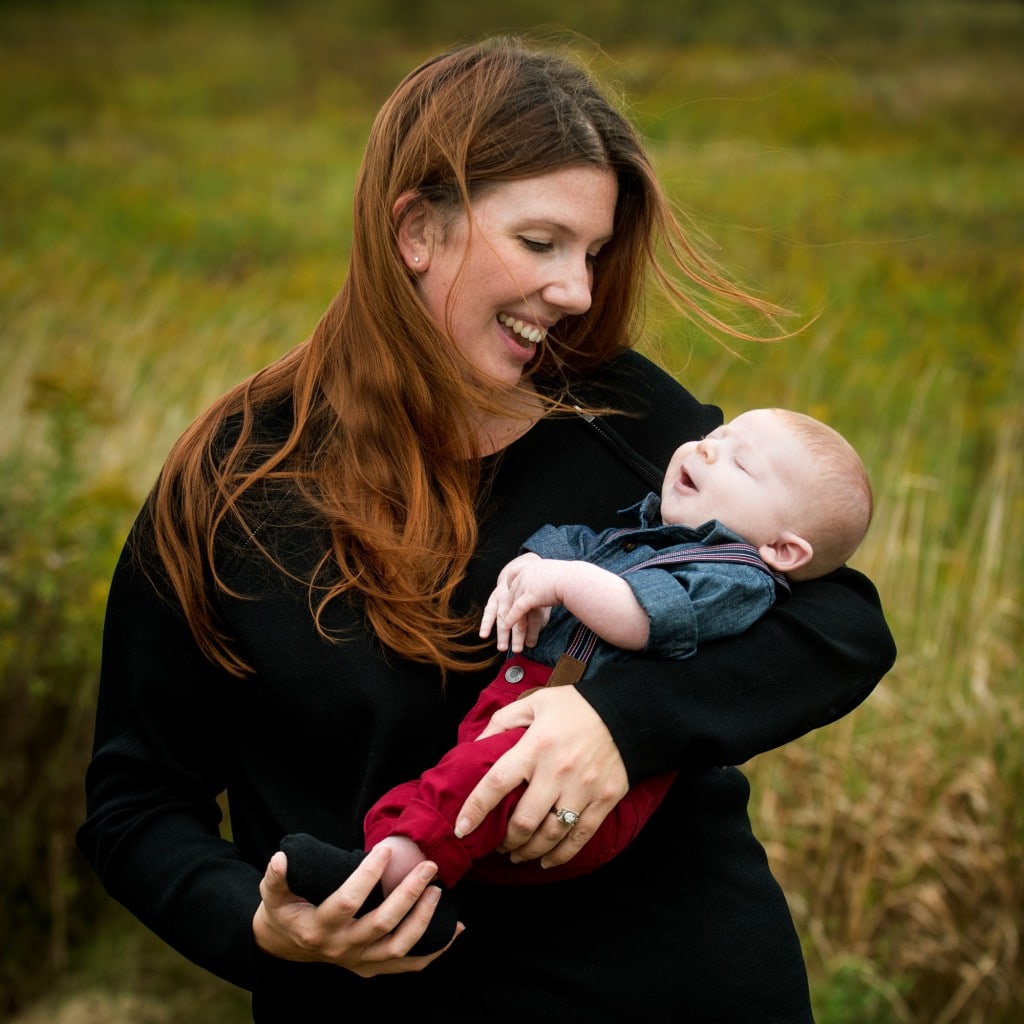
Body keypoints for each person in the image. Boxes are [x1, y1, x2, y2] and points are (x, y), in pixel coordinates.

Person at [77, 36, 896, 1023]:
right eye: (541, 242)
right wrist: (263, 929)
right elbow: (134, 807)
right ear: (416, 229)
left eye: (591, 253)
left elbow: (836, 621)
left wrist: (616, 726)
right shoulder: (232, 483)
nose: (580, 292)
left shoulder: (628, 425)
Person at [281, 407, 872, 917]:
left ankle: (395, 873)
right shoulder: (652, 529)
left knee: (461, 794)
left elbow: (640, 616)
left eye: (741, 463)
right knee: (433, 791)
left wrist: (560, 582)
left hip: (584, 780)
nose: (705, 449)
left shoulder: (734, 577)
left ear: (784, 550)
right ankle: (385, 869)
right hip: (523, 706)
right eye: (716, 439)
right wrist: (530, 568)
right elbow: (575, 541)